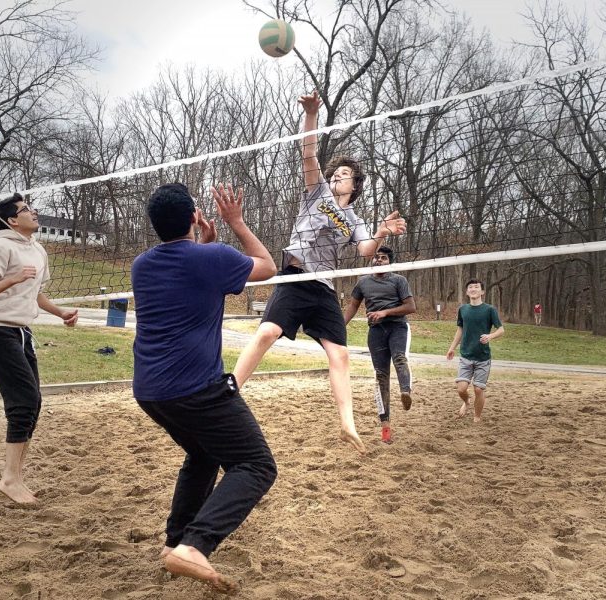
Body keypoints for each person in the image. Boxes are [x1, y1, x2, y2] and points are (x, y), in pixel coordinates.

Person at [232, 91, 406, 454]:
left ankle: (347, 424)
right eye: (336, 173)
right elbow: (308, 152)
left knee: (339, 355)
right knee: (268, 332)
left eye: (344, 175)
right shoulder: (317, 191)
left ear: (355, 185)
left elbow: (364, 250)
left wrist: (382, 232)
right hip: (296, 277)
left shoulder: (356, 219)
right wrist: (311, 115)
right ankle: (230, 389)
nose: (337, 177)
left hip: (324, 288)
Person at [132, 182, 278, 595]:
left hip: (150, 391)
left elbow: (190, 273)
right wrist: (236, 222)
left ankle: (176, 541)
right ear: (195, 216)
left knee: (202, 453)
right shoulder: (210, 257)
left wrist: (205, 242)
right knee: (256, 465)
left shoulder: (142, 264)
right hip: (197, 389)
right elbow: (266, 265)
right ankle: (195, 546)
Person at [0, 192, 79, 504]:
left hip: (20, 331)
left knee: (33, 402)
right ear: (12, 220)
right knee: (24, 400)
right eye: (26, 210)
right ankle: (10, 479)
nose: (34, 213)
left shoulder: (38, 250)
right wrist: (12, 279)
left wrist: (61, 313)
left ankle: (14, 475)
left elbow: (36, 294)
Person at [343, 246, 416, 444]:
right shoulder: (363, 282)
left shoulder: (399, 280)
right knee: (380, 377)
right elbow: (353, 306)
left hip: (397, 327)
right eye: (376, 257)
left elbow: (411, 307)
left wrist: (385, 312)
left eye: (383, 258)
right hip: (376, 331)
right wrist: (341, 327)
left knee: (400, 358)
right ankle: (386, 430)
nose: (379, 260)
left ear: (389, 262)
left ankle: (405, 391)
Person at [445, 279, 505, 423]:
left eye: (476, 287)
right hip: (466, 355)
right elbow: (460, 329)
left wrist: (490, 336)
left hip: (483, 358)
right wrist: (452, 348)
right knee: (461, 389)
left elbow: (501, 330)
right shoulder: (463, 309)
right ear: (467, 292)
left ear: (482, 292)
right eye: (470, 287)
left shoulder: (490, 310)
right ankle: (466, 402)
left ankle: (477, 418)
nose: (473, 289)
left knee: (479, 389)